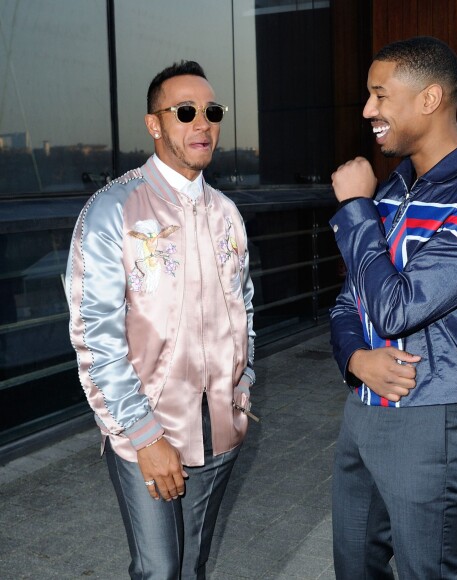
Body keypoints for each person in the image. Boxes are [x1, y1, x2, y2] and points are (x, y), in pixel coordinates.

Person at [328, 36, 457, 579]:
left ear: (430, 99)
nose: (368, 110)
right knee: (354, 567)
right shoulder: (394, 189)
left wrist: (357, 209)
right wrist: (354, 360)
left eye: (380, 94)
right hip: (362, 410)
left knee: (424, 571)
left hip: (430, 420)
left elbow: (393, 309)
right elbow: (349, 300)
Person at [66, 60, 256, 579]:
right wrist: (145, 436)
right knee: (159, 571)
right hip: (146, 432)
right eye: (186, 111)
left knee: (191, 566)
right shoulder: (113, 211)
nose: (203, 124)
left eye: (211, 112)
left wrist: (245, 380)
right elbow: (94, 336)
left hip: (221, 425)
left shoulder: (226, 213)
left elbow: (246, 306)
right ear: (155, 124)